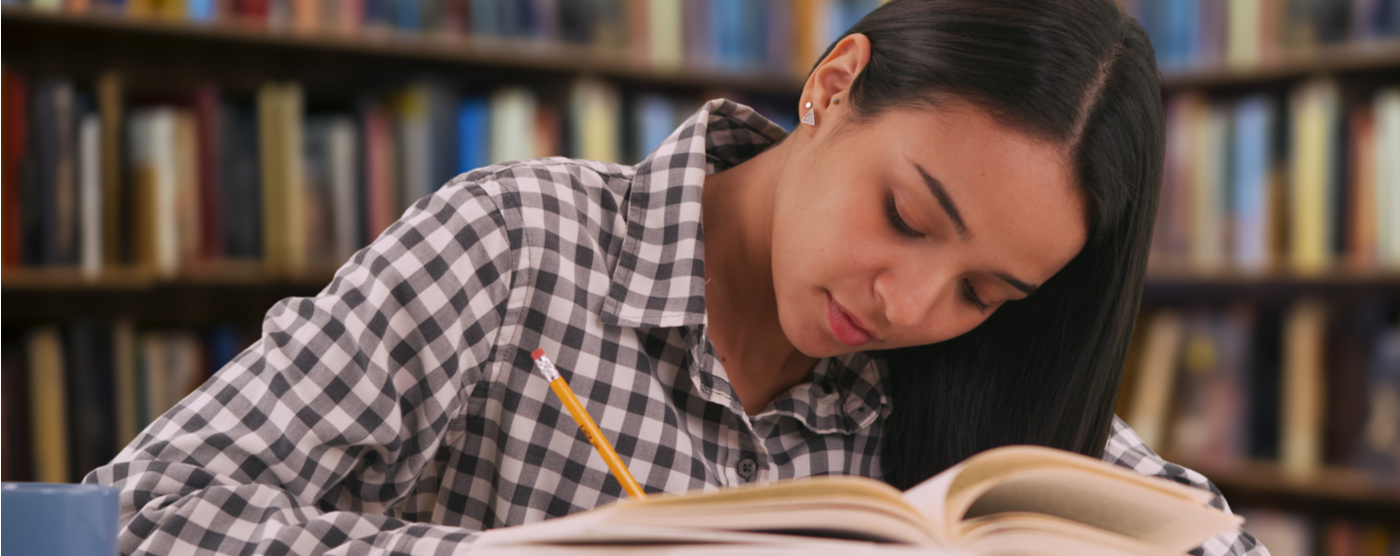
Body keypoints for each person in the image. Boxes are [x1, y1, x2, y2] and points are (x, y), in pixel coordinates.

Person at [87, 0, 1266, 554]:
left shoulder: (967, 383)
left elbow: (1209, 539)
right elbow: (141, 514)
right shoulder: (518, 244)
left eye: (983, 291)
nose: (909, 303)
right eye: (906, 216)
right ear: (832, 84)